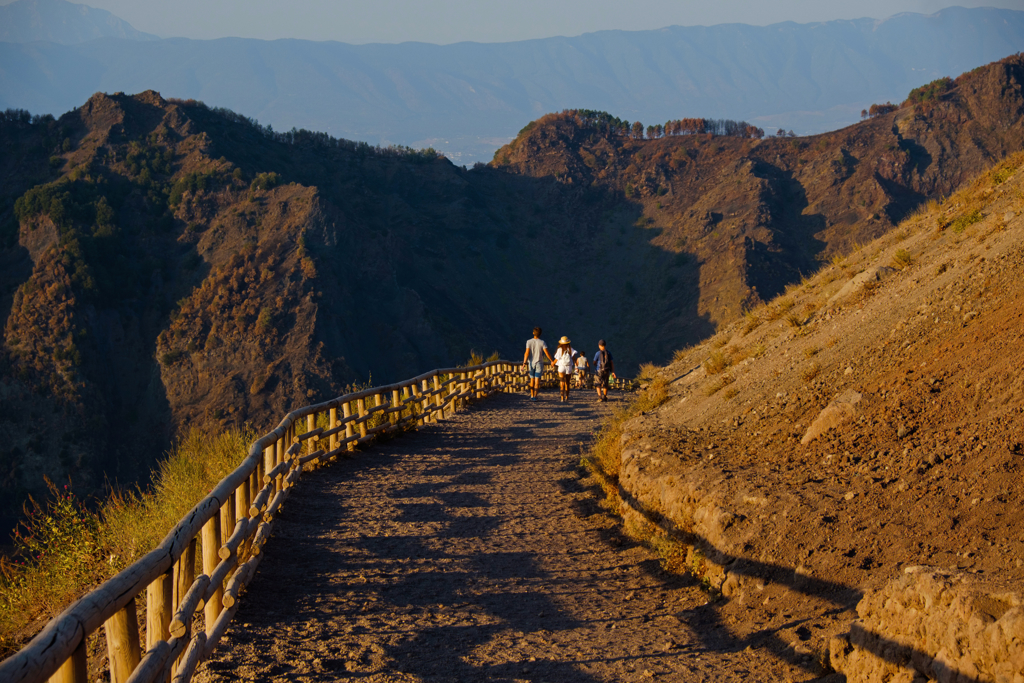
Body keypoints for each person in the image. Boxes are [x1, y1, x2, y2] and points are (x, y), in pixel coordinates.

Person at [522, 327, 553, 401]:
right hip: (539, 363)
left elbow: (526, 353)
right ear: (541, 334)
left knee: (531, 380)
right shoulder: (542, 342)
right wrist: (552, 360)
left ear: (533, 333)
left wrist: (524, 363)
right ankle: (535, 396)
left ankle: (532, 395)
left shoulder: (528, 342)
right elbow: (546, 352)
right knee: (537, 381)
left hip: (531, 363)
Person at [552, 336, 577, 402]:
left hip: (561, 367)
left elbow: (556, 359)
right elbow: (574, 359)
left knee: (562, 382)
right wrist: (576, 366)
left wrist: (553, 363)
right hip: (569, 367)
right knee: (567, 383)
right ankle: (567, 397)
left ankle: (562, 398)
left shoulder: (559, 349)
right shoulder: (571, 349)